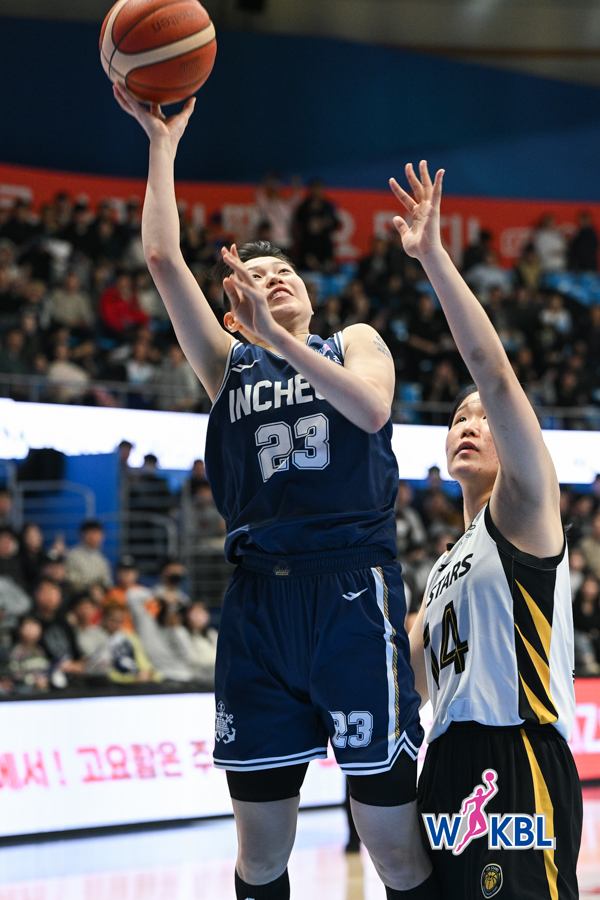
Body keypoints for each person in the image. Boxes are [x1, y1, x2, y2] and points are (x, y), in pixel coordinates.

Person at [113, 83, 435, 900]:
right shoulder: (227, 365)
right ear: (232, 313)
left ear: (307, 294)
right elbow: (162, 260)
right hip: (259, 603)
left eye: (282, 271)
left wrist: (283, 342)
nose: (271, 279)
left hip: (351, 593)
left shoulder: (352, 340)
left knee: (394, 851)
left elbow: (370, 409)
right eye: (253, 277)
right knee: (260, 856)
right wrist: (161, 145)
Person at [391, 161, 581, 899]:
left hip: (518, 752)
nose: (469, 423)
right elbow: (406, 682)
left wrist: (431, 257)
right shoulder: (443, 564)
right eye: (456, 418)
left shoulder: (527, 508)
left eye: (480, 418)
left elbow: (493, 374)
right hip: (445, 764)